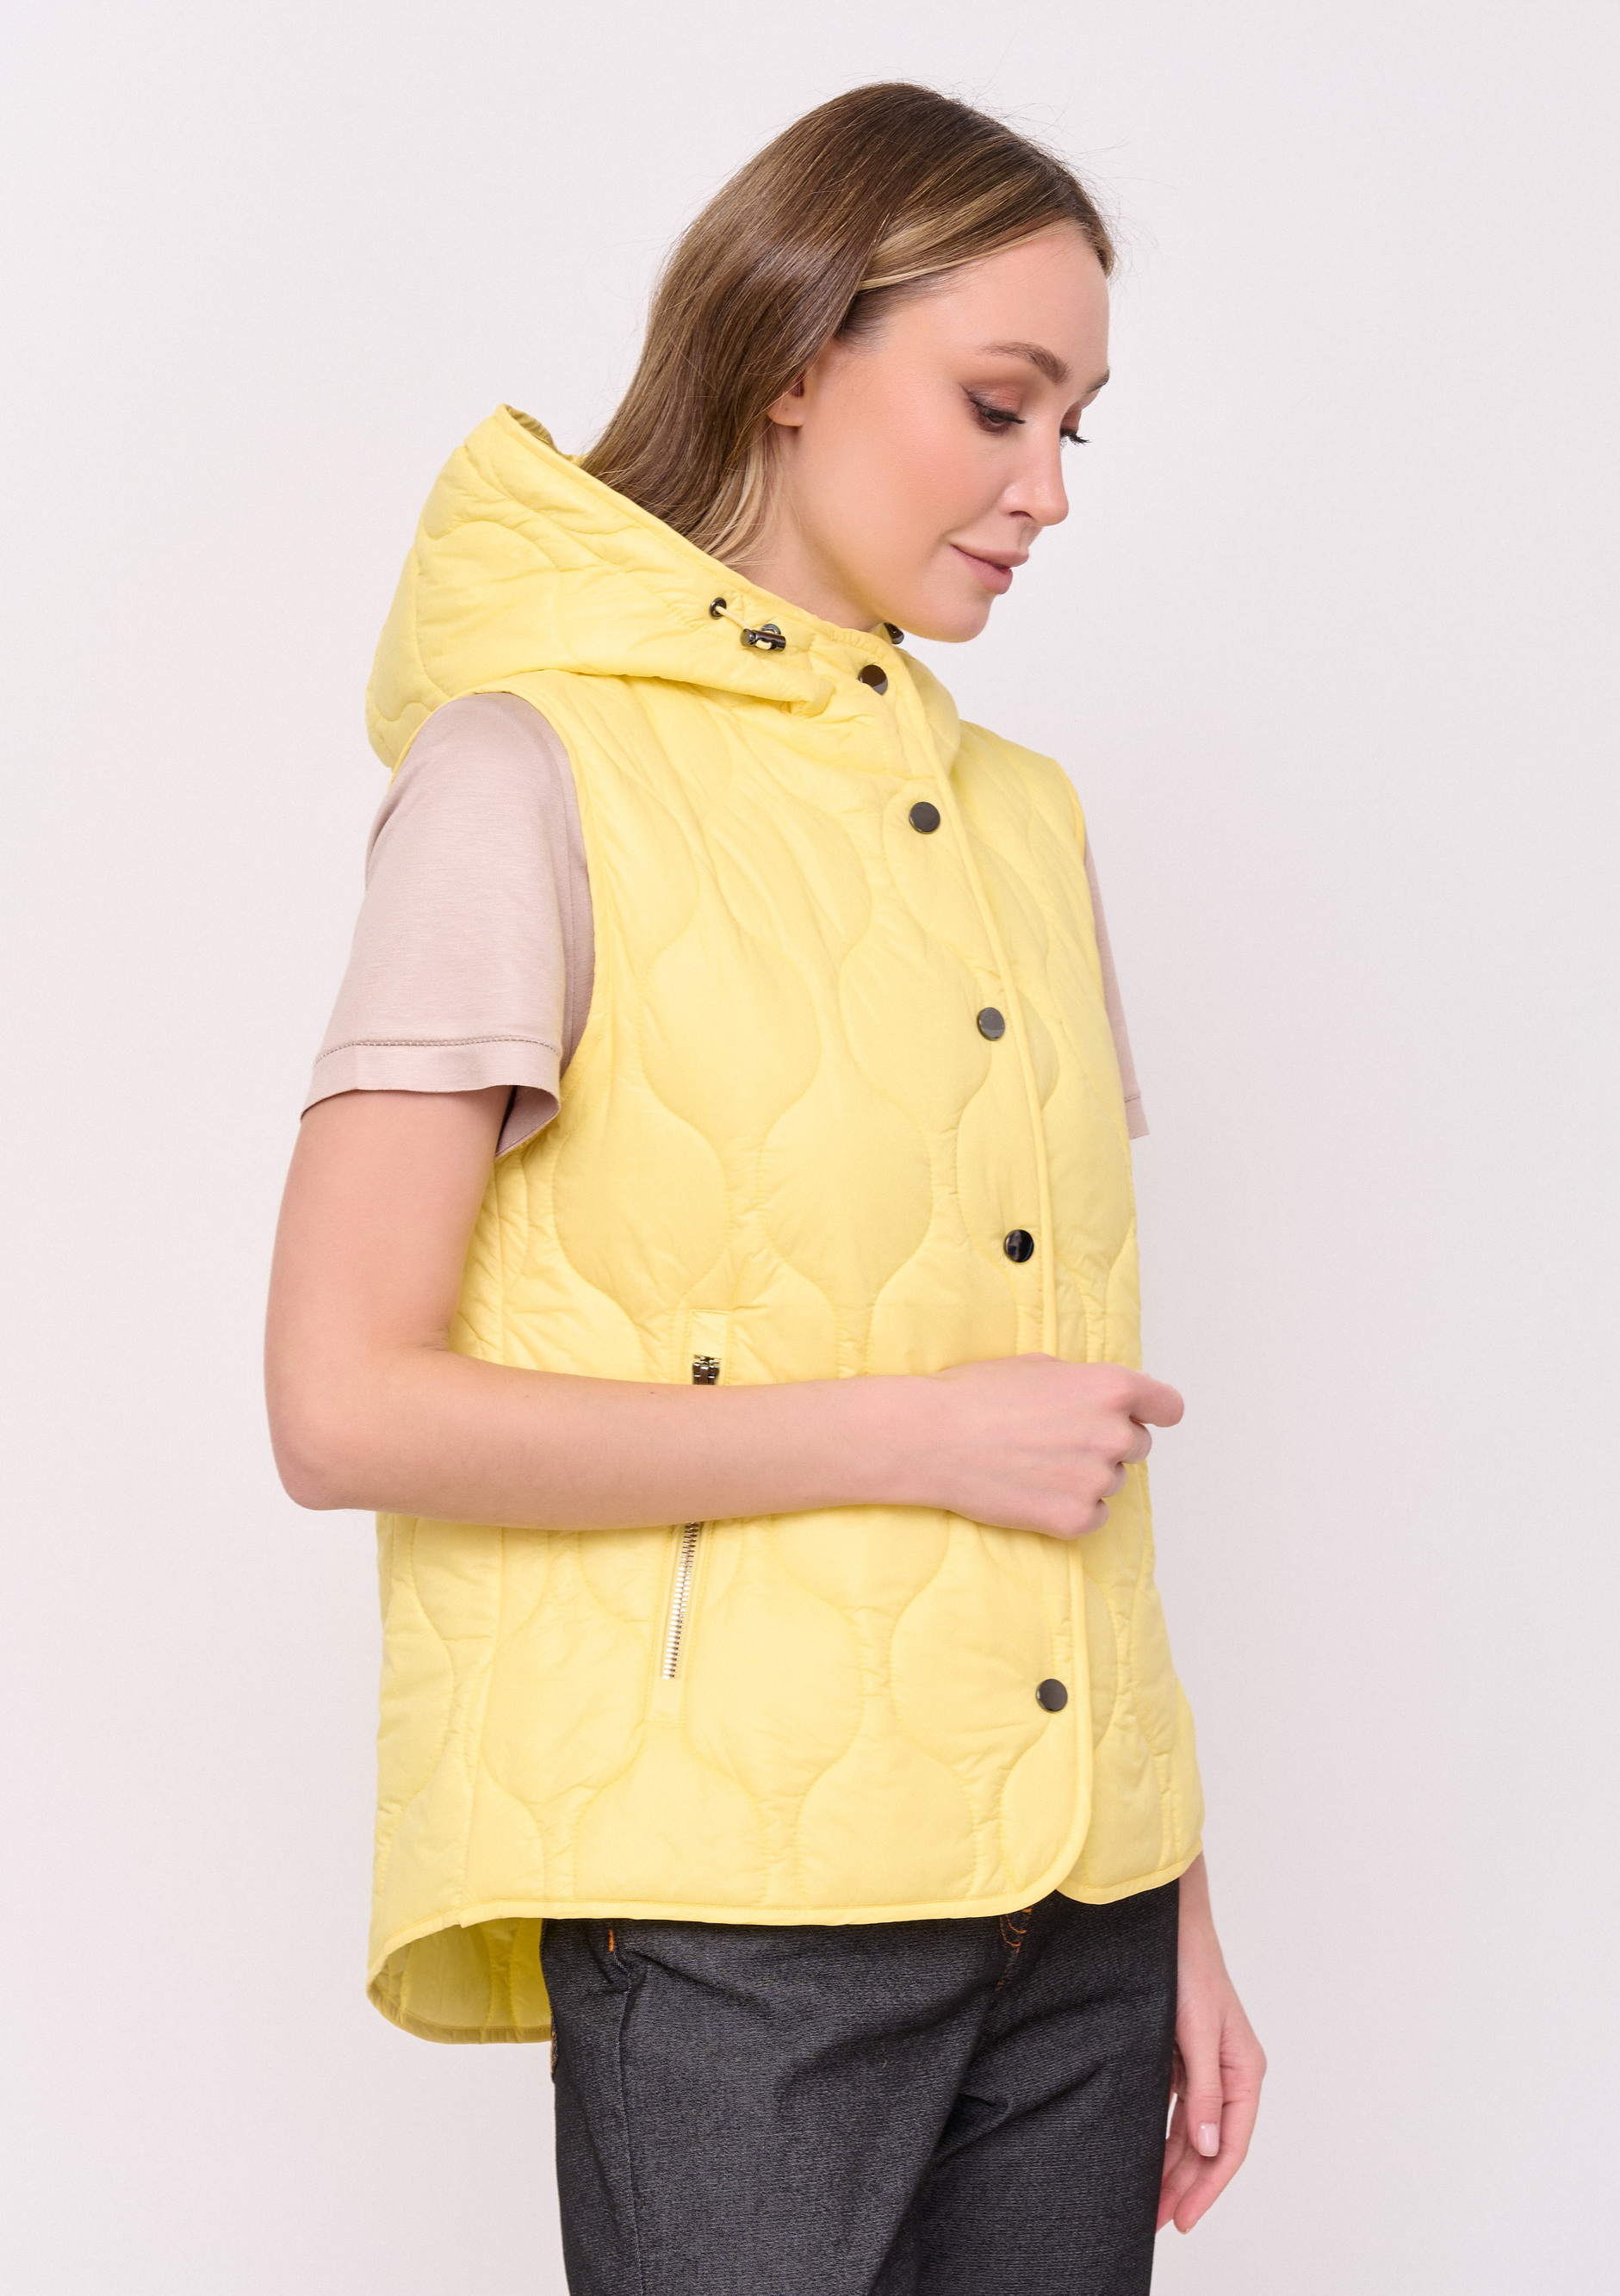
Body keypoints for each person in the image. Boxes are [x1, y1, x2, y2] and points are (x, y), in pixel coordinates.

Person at [265, 80, 1265, 2296]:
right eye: (998, 403)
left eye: (1077, 425)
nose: (1047, 487)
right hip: (739, 1916)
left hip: (1077, 1907)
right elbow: (339, 1404)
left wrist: (1173, 1882)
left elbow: (1070, 1406)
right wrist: (906, 1434)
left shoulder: (1020, 817)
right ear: (796, 355)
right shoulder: (522, 775)